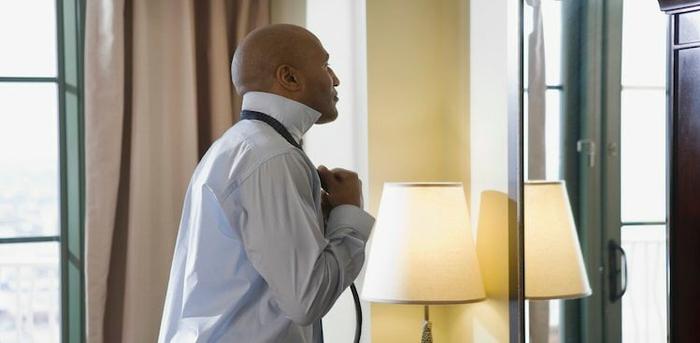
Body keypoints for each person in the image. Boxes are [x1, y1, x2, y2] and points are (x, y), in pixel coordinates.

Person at [158, 24, 375, 343]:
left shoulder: (237, 147)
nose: (336, 79)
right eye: (326, 65)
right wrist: (349, 216)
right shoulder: (272, 158)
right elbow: (307, 300)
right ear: (289, 78)